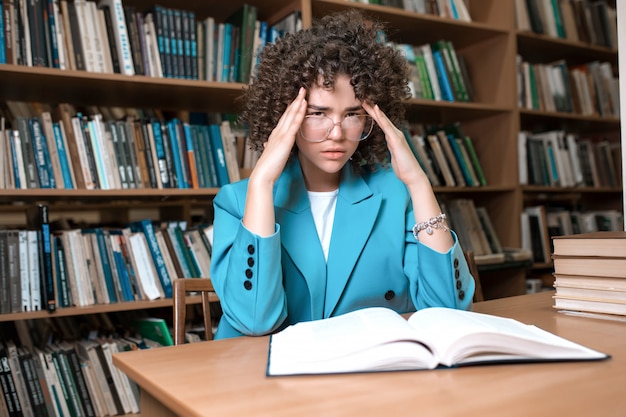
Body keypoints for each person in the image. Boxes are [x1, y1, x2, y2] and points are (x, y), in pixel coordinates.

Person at [210, 9, 475, 339]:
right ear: (285, 115)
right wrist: (263, 182)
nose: (336, 133)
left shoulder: (396, 196)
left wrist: (419, 183)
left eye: (352, 114)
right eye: (318, 113)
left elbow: (448, 309)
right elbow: (254, 321)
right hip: (267, 378)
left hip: (369, 375)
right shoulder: (238, 201)